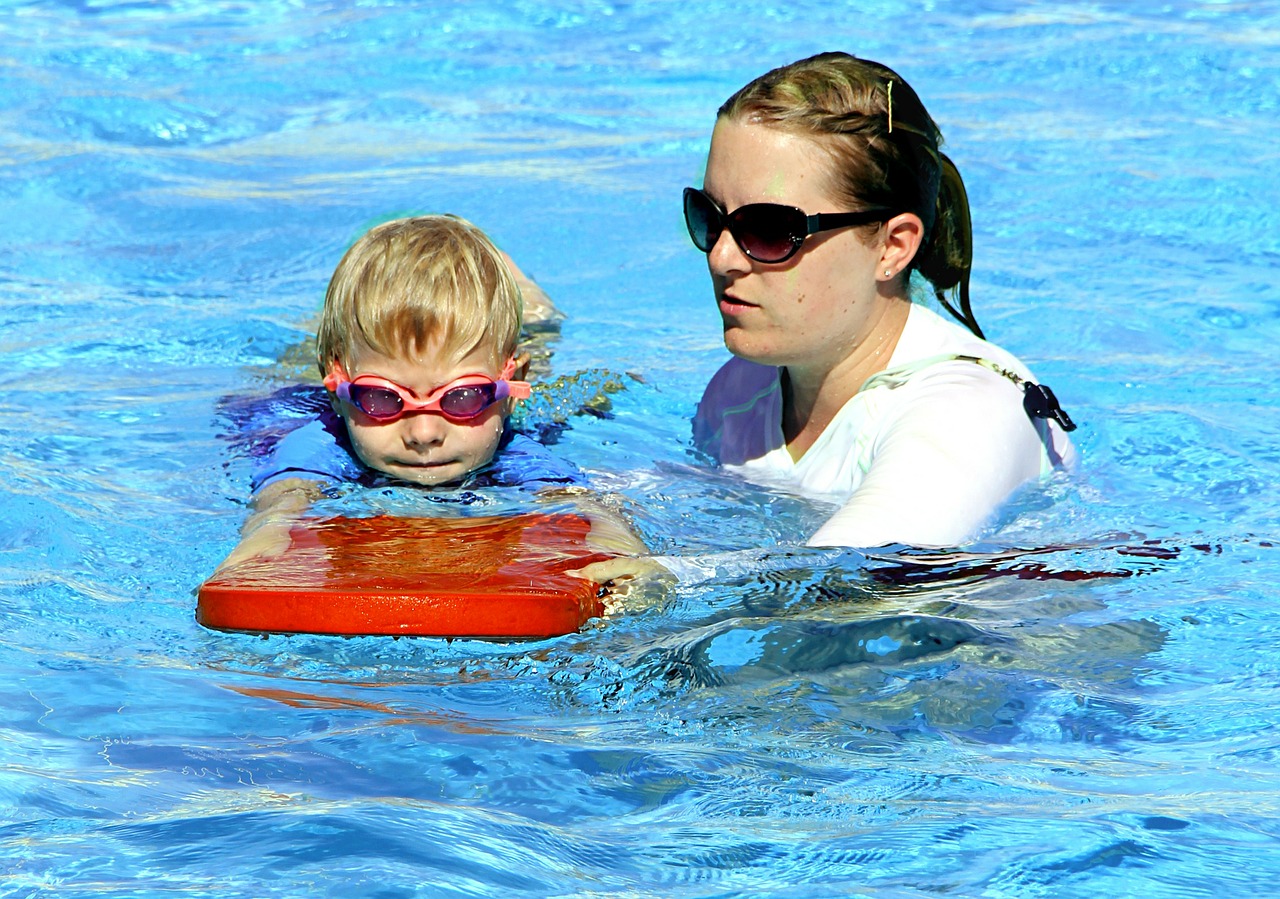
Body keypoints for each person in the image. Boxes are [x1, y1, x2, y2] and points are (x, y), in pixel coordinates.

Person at [686, 51, 1077, 551]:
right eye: (710, 216)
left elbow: (840, 586)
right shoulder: (741, 392)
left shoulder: (966, 412)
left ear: (892, 247)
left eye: (767, 229)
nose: (721, 258)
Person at [218, 214, 644, 574]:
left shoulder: (519, 450)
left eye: (463, 398)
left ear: (508, 394)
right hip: (296, 396)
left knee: (551, 350)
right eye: (383, 398)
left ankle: (534, 306)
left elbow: (584, 506)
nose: (423, 433)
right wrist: (265, 539)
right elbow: (284, 499)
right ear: (338, 392)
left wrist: (621, 552)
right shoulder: (322, 444)